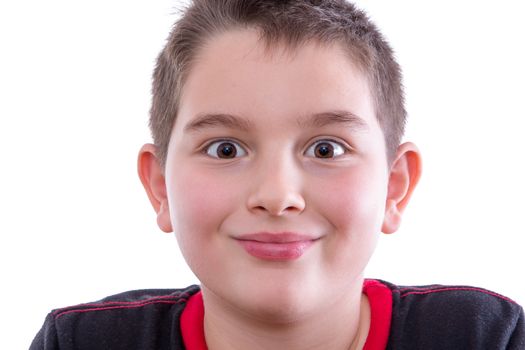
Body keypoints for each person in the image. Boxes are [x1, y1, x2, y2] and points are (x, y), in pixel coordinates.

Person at [30, 0, 524, 349]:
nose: (277, 195)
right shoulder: (79, 341)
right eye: (225, 149)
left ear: (395, 186)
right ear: (160, 186)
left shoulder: (485, 336)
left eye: (327, 148)